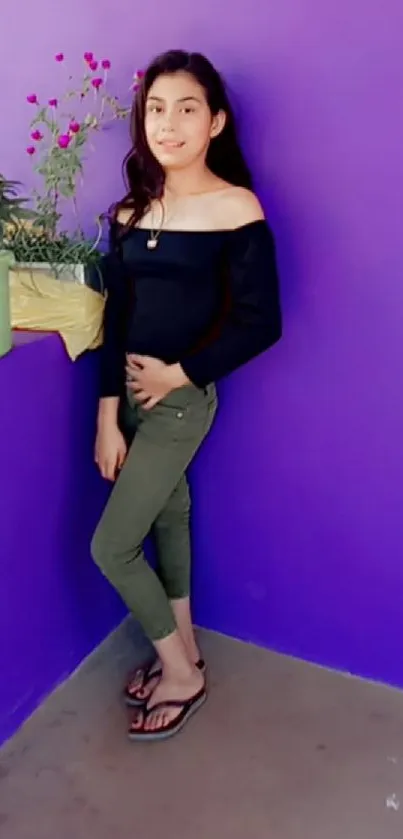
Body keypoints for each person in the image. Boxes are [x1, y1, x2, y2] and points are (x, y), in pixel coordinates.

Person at [91, 49, 282, 742]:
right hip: (133, 406)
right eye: (155, 109)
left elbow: (262, 321)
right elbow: (116, 318)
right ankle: (186, 644)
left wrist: (180, 373)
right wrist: (108, 415)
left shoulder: (235, 206)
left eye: (187, 108)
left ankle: (181, 675)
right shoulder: (130, 210)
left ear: (216, 121)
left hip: (178, 405)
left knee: (111, 547)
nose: (168, 124)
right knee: (169, 520)